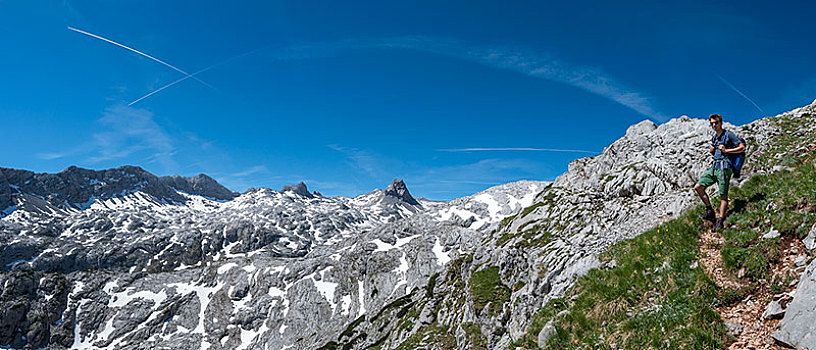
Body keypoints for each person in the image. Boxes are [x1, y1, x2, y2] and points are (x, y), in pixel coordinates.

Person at [694, 114, 745, 231]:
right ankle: (710, 211)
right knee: (698, 187)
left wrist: (727, 150)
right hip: (714, 167)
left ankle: (720, 221)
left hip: (724, 168)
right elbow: (713, 150)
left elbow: (742, 147)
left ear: (721, 123)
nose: (714, 125)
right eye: (711, 123)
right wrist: (713, 149)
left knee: (723, 196)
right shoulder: (714, 137)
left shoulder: (728, 134)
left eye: (716, 122)